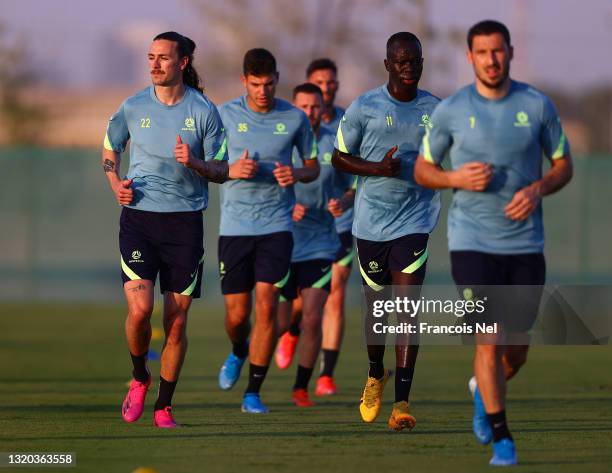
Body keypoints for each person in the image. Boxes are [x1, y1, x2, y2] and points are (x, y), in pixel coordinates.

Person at [414, 20, 573, 466]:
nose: (491, 59)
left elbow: (563, 164)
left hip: (524, 245)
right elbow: (424, 169)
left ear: (510, 52)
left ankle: (482, 393)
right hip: (471, 243)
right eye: (482, 52)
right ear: (470, 57)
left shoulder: (536, 105)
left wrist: (538, 189)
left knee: (515, 350)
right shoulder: (452, 110)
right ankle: (503, 438)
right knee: (488, 340)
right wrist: (453, 177)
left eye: (498, 51)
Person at [103, 32, 251, 428]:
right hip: (138, 220)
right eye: (150, 57)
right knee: (139, 311)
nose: (154, 64)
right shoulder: (133, 106)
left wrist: (196, 164)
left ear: (183, 62)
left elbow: (223, 170)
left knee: (176, 321)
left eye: (163, 58)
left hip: (184, 226)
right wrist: (115, 182)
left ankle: (164, 405)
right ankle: (139, 378)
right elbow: (109, 147)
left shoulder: (204, 111)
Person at [332, 32, 440, 431]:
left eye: (415, 61)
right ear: (388, 65)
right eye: (401, 61)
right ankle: (375, 373)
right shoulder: (366, 107)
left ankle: (402, 404)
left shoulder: (436, 110)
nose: (409, 68)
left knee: (407, 311)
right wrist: (377, 168)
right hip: (371, 223)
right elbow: (339, 157)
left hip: (416, 221)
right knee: (377, 311)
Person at [216, 48, 319, 414]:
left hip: (277, 225)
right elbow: (208, 165)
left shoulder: (294, 118)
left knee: (266, 306)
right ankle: (238, 351)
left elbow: (313, 166)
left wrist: (296, 173)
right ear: (245, 81)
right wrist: (230, 169)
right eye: (256, 84)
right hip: (235, 228)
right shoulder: (224, 114)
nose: (264, 91)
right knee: (237, 316)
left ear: (278, 79)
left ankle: (253, 392)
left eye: (270, 84)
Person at [275, 59, 355, 396]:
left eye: (332, 82)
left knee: (333, 298)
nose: (327, 87)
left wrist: (346, 201)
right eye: (319, 82)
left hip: (338, 226)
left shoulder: (347, 125)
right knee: (298, 304)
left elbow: (357, 177)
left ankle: (326, 375)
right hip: (295, 230)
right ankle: (292, 330)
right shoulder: (289, 130)